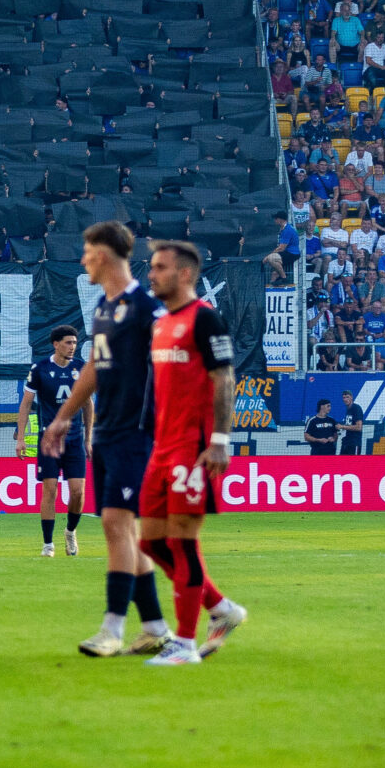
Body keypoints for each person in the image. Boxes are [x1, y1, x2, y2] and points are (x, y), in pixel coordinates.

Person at [42, 222, 174, 658]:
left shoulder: (145, 309)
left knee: (118, 525)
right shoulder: (103, 308)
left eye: (86, 252)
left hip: (138, 432)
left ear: (102, 254)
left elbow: (179, 368)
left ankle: (112, 630)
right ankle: (154, 626)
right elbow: (94, 370)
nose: (83, 260)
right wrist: (62, 419)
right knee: (123, 529)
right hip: (108, 432)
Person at [132, 242, 253, 666]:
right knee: (148, 541)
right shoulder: (162, 324)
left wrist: (220, 440)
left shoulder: (205, 318)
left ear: (184, 274)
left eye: (160, 268)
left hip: (194, 447)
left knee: (183, 543)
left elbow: (224, 378)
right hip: (161, 448)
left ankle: (184, 646)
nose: (151, 275)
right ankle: (221, 608)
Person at [18, 325, 87, 556]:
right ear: (55, 344)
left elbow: (88, 403)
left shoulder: (81, 368)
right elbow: (26, 403)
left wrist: (89, 437)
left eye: (75, 343)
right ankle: (48, 544)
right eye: (68, 342)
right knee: (50, 489)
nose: (72, 347)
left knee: (77, 492)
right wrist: (20, 437)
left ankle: (70, 532)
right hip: (49, 440)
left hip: (75, 439)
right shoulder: (40, 368)